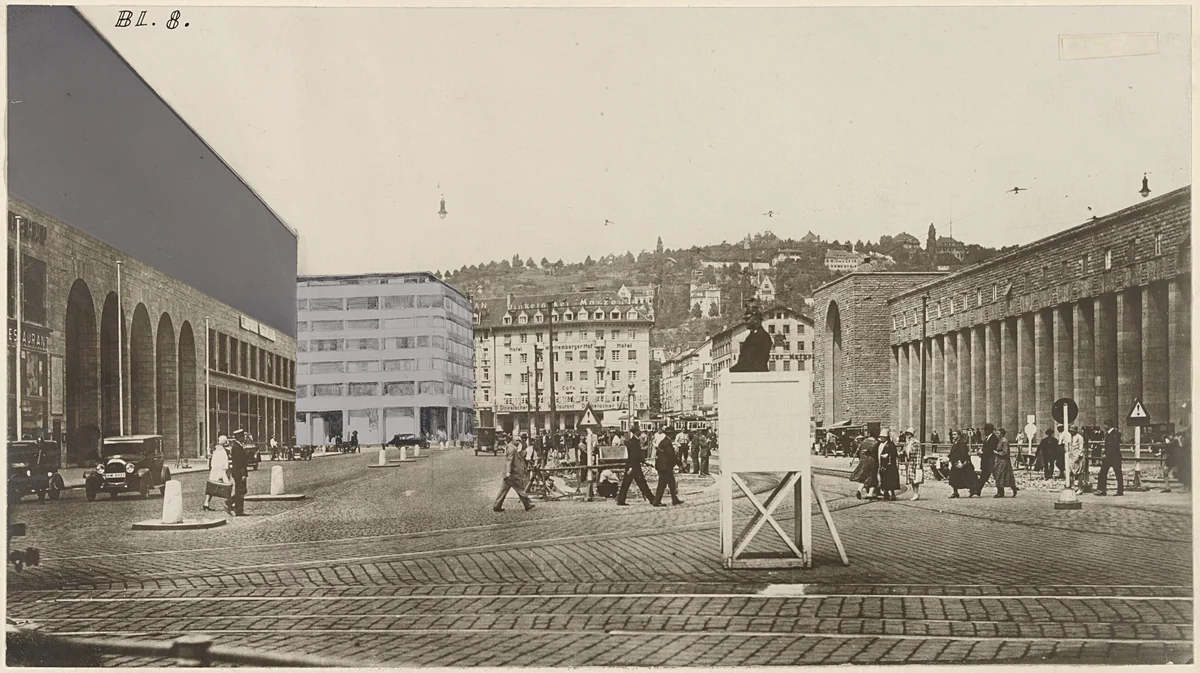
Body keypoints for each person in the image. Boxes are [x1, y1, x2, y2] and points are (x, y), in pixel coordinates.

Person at [494, 435, 535, 512]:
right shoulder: (511, 448)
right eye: (517, 441)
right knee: (520, 490)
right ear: (512, 440)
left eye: (519, 441)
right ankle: (527, 504)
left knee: (503, 490)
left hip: (511, 475)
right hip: (513, 474)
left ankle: (497, 505)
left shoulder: (512, 448)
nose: (518, 442)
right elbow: (509, 460)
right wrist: (508, 472)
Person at [617, 426, 655, 506]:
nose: (640, 432)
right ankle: (652, 499)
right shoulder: (634, 442)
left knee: (626, 484)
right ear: (636, 432)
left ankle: (621, 500)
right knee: (642, 483)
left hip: (632, 466)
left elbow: (637, 456)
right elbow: (634, 456)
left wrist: (645, 462)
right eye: (639, 430)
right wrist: (632, 467)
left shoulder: (633, 441)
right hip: (634, 466)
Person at [729, 304, 772, 372]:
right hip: (750, 372)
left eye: (747, 319)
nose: (746, 322)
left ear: (755, 320)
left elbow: (757, 362)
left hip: (756, 374)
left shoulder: (763, 336)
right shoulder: (751, 336)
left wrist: (734, 370)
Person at [653, 426, 683, 506]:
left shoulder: (664, 441)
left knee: (671, 483)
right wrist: (679, 463)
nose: (673, 435)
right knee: (662, 484)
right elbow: (671, 455)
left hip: (664, 466)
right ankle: (656, 501)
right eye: (672, 434)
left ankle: (674, 499)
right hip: (665, 467)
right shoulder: (667, 442)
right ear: (671, 434)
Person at [203, 436, 232, 512]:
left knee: (211, 488)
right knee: (228, 487)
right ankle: (229, 503)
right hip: (220, 472)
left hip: (214, 472)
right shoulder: (222, 452)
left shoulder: (216, 451)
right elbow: (223, 463)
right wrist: (221, 475)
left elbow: (213, 462)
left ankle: (206, 503)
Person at [1096, 419, 1124, 496]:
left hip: (1114, 457)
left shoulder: (1116, 434)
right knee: (1103, 473)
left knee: (1118, 473)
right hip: (1108, 457)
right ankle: (1102, 490)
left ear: (1108, 425)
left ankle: (1120, 490)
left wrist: (1106, 454)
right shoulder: (1108, 434)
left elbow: (1114, 446)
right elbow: (1107, 446)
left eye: (1105, 425)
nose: (1104, 426)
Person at [850, 433, 880, 499]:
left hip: (864, 461)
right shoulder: (876, 442)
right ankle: (870, 494)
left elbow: (859, 450)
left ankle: (859, 489)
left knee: (864, 477)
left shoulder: (864, 441)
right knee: (873, 477)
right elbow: (877, 453)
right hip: (873, 461)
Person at [972, 423, 998, 497]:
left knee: (995, 476)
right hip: (986, 461)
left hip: (990, 461)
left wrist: (982, 452)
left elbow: (991, 450)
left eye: (986, 430)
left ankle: (1001, 491)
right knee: (984, 476)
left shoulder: (994, 438)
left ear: (989, 431)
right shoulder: (987, 438)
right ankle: (978, 490)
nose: (984, 432)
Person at [227, 430, 250, 516]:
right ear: (239, 437)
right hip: (239, 473)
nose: (243, 438)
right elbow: (239, 462)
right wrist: (243, 474)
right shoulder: (236, 447)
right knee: (240, 491)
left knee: (241, 491)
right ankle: (236, 507)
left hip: (238, 472)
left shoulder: (238, 446)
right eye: (242, 436)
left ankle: (236, 507)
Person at [947, 431, 975, 498]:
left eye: (955, 434)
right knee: (953, 478)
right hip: (955, 463)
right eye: (953, 434)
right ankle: (955, 492)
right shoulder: (955, 442)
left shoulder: (961, 442)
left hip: (960, 463)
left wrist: (961, 462)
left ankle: (972, 490)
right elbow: (953, 452)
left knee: (965, 478)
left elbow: (963, 453)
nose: (953, 436)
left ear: (959, 435)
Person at [992, 428, 1018, 497]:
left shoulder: (1004, 441)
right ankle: (1000, 492)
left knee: (1004, 476)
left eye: (998, 433)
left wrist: (997, 453)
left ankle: (1013, 489)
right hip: (998, 461)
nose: (996, 435)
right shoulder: (999, 441)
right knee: (998, 476)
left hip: (1004, 461)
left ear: (1002, 434)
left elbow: (1005, 452)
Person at [878, 433, 901, 500]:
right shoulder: (880, 444)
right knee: (883, 479)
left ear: (886, 438)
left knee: (891, 480)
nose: (881, 438)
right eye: (881, 437)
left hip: (890, 465)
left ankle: (893, 494)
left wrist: (887, 455)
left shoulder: (890, 444)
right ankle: (886, 493)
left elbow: (894, 453)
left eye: (883, 437)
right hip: (882, 464)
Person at [902, 430, 924, 501]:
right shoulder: (907, 443)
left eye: (909, 434)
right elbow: (905, 452)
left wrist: (918, 464)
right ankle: (915, 493)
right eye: (907, 434)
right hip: (909, 463)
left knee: (916, 479)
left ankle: (916, 493)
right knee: (911, 479)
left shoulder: (916, 442)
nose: (908, 435)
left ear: (912, 434)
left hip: (914, 463)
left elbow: (919, 454)